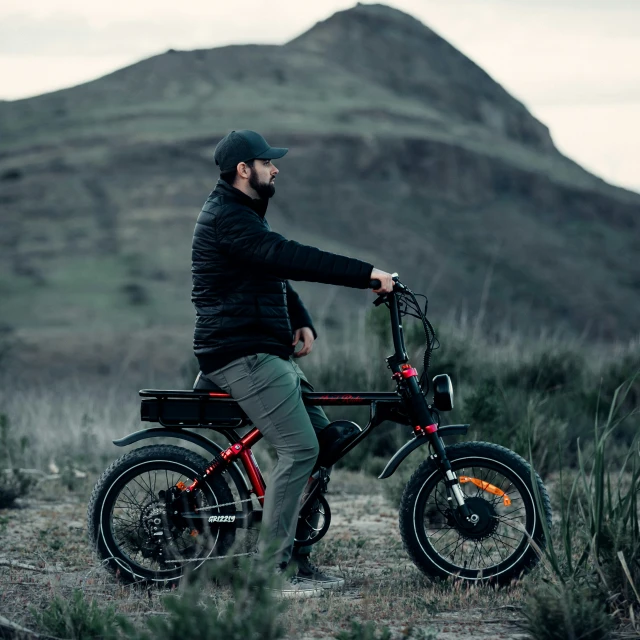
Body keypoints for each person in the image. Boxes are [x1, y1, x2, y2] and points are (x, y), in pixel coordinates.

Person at [191, 129, 394, 597]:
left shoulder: (242, 215)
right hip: (239, 353)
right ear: (245, 170)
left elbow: (270, 270)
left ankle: (296, 558)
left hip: (264, 351)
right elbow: (287, 257)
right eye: (268, 162)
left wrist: (299, 319)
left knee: (324, 444)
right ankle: (270, 572)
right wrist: (367, 275)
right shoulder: (229, 219)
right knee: (300, 449)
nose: (276, 168)